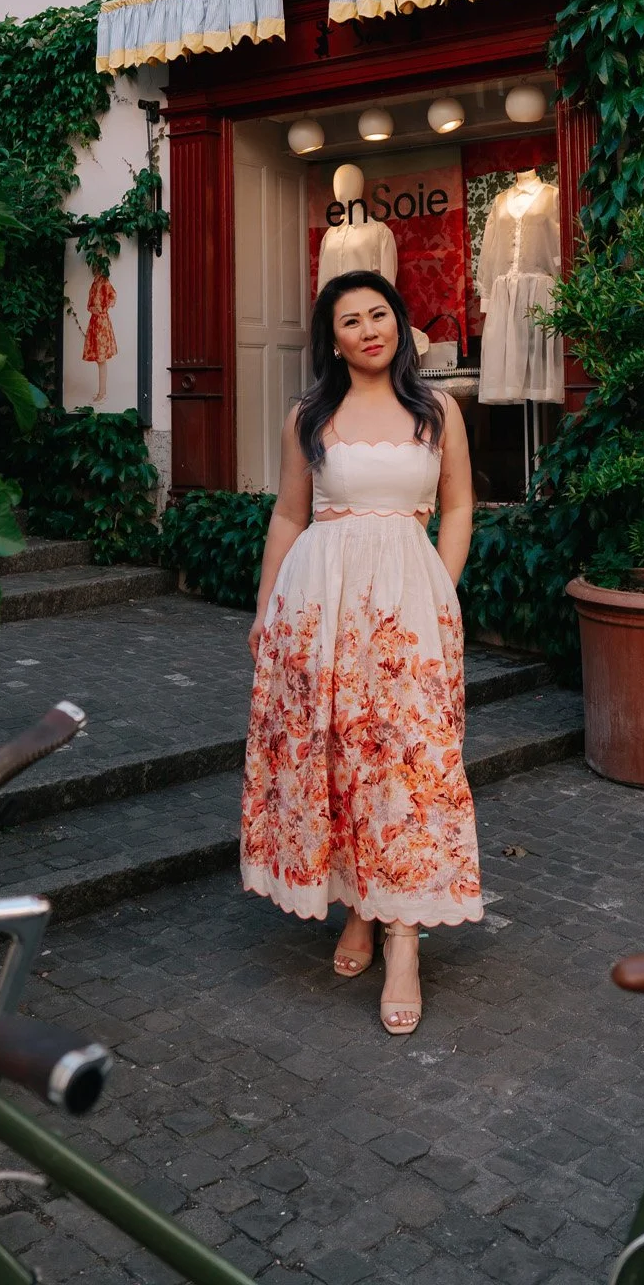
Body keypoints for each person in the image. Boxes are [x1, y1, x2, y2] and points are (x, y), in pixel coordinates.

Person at [240, 269, 483, 1037]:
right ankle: (356, 909)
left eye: (379, 315)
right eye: (351, 321)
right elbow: (286, 516)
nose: (368, 330)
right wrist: (265, 608)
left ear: (399, 324)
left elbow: (457, 506)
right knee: (336, 761)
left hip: (408, 611)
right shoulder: (308, 415)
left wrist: (439, 593)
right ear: (332, 338)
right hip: (320, 606)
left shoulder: (436, 409)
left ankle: (402, 941)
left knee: (408, 766)